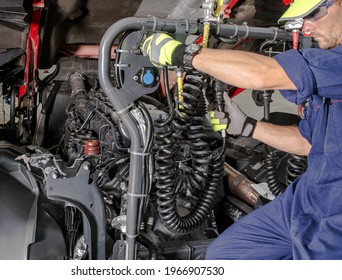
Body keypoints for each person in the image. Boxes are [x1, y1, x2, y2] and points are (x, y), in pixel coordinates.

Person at [142, 0, 342, 259]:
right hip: (307, 198)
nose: (305, 28)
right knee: (223, 257)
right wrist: (248, 126)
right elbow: (308, 142)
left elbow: (264, 74)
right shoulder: (330, 66)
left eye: (313, 14)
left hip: (336, 215)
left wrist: (186, 54)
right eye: (301, 20)